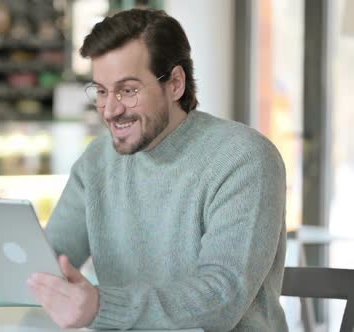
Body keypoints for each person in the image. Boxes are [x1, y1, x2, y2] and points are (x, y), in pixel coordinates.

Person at [27, 8, 288, 331]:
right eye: (102, 91)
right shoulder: (97, 159)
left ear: (176, 83)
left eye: (128, 90)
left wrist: (100, 306)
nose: (110, 110)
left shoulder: (244, 158)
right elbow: (49, 262)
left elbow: (222, 297)